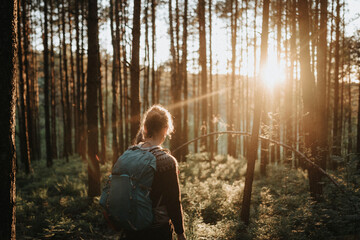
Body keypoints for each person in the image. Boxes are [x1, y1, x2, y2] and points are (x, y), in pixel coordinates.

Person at [125, 105, 186, 240]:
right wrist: (180, 233)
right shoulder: (167, 162)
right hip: (157, 230)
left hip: (131, 226)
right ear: (165, 129)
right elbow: (173, 201)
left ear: (145, 128)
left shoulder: (130, 153)